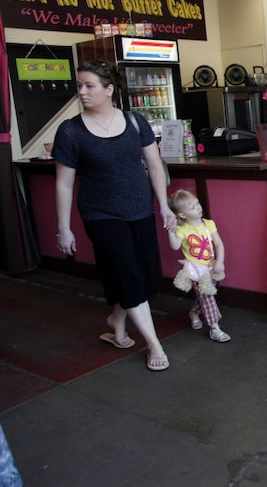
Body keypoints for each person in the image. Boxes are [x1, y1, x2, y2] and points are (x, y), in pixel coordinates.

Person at [53, 60, 175, 372]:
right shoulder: (70, 131)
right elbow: (64, 183)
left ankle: (116, 321)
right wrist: (64, 228)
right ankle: (154, 344)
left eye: (89, 86)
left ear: (109, 90)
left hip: (139, 209)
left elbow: (155, 165)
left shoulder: (136, 122)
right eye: (79, 86)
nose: (82, 92)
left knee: (144, 276)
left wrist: (163, 205)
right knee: (129, 274)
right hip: (100, 214)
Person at [167, 189, 231, 343]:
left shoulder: (209, 224)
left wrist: (220, 261)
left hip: (211, 268)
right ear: (182, 215)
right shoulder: (182, 229)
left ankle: (194, 313)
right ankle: (214, 328)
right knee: (207, 296)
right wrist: (170, 230)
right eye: (192, 207)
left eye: (197, 204)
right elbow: (175, 246)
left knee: (205, 297)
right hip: (195, 270)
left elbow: (219, 244)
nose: (198, 208)